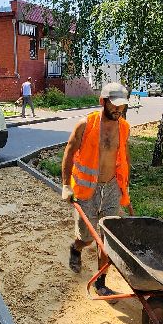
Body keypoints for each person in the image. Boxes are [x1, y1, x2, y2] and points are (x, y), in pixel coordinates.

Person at [61, 81, 133, 296]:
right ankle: (76, 248)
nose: (118, 109)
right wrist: (66, 185)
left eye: (122, 106)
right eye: (114, 105)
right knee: (87, 237)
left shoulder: (124, 127)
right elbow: (69, 152)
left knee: (108, 238)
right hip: (86, 190)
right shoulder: (86, 124)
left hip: (111, 188)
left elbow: (124, 157)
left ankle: (101, 282)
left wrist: (125, 189)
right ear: (103, 101)